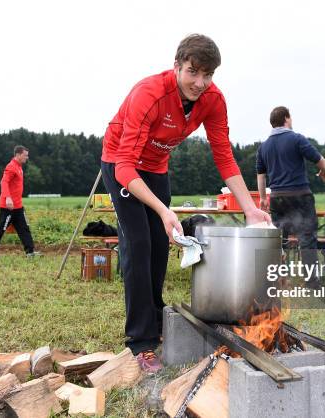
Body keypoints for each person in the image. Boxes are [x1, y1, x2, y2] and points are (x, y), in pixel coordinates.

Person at [100, 34, 271, 373]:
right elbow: (123, 166)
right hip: (123, 167)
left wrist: (249, 207)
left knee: (160, 249)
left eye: (208, 75)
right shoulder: (149, 94)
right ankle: (141, 342)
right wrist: (164, 210)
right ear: (177, 65)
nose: (200, 82)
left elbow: (223, 155)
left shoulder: (213, 99)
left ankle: (157, 319)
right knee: (138, 245)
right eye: (193, 72)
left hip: (156, 169)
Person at [256, 106, 325, 288]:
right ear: (287, 119)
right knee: (307, 238)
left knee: (279, 240)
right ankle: (312, 283)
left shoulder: (263, 146)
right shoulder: (296, 138)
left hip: (277, 198)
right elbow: (319, 159)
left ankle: (277, 281)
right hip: (300, 196)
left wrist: (263, 197)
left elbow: (261, 175)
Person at [0, 145, 41, 259]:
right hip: (8, 207)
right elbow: (4, 182)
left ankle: (30, 253)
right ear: (18, 155)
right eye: (25, 155)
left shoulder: (19, 167)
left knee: (24, 228)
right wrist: (8, 198)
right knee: (1, 229)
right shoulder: (11, 167)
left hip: (18, 206)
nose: (27, 157)